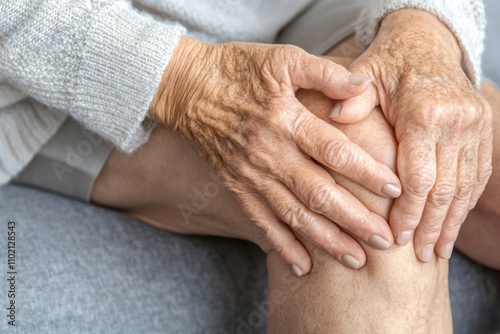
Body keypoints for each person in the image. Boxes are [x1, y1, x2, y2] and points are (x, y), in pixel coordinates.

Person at [0, 0, 498, 333]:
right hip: (71, 49)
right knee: (360, 167)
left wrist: (425, 29)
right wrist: (184, 81)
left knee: (435, 138)